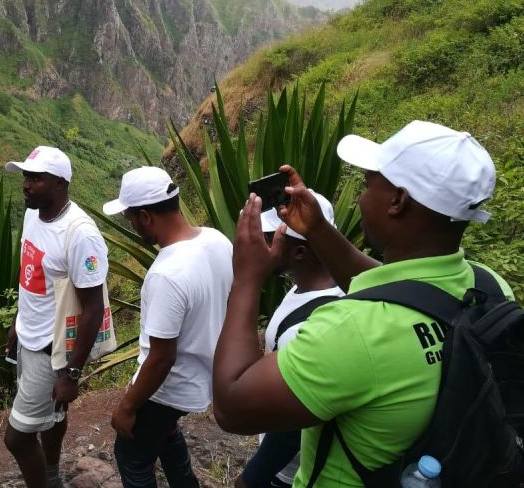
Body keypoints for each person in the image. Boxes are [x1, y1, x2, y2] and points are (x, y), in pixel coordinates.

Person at [212, 120, 515, 488]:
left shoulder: (351, 331)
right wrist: (318, 229)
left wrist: (246, 278)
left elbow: (231, 406)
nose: (359, 196)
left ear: (397, 201)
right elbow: (401, 291)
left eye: (368, 184)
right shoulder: (487, 286)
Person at [103, 166, 233, 488]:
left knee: (131, 456)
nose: (131, 225)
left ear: (146, 217)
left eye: (130, 218)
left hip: (168, 389)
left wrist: (127, 406)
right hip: (202, 377)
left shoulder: (166, 274)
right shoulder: (216, 240)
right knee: (166, 432)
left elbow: (162, 358)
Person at [3, 146, 109, 488]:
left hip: (52, 349)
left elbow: (93, 308)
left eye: (36, 178)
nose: (26, 185)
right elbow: (32, 275)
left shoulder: (79, 234)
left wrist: (72, 373)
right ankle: (50, 473)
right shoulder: (33, 213)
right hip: (28, 333)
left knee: (16, 438)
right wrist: (18, 321)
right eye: (25, 176)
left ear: (60, 183)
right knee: (52, 415)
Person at [237, 192, 343, 488]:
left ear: (298, 253)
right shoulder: (309, 287)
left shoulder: (310, 327)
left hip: (288, 471)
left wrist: (252, 477)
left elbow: (292, 428)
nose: (262, 244)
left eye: (270, 237)